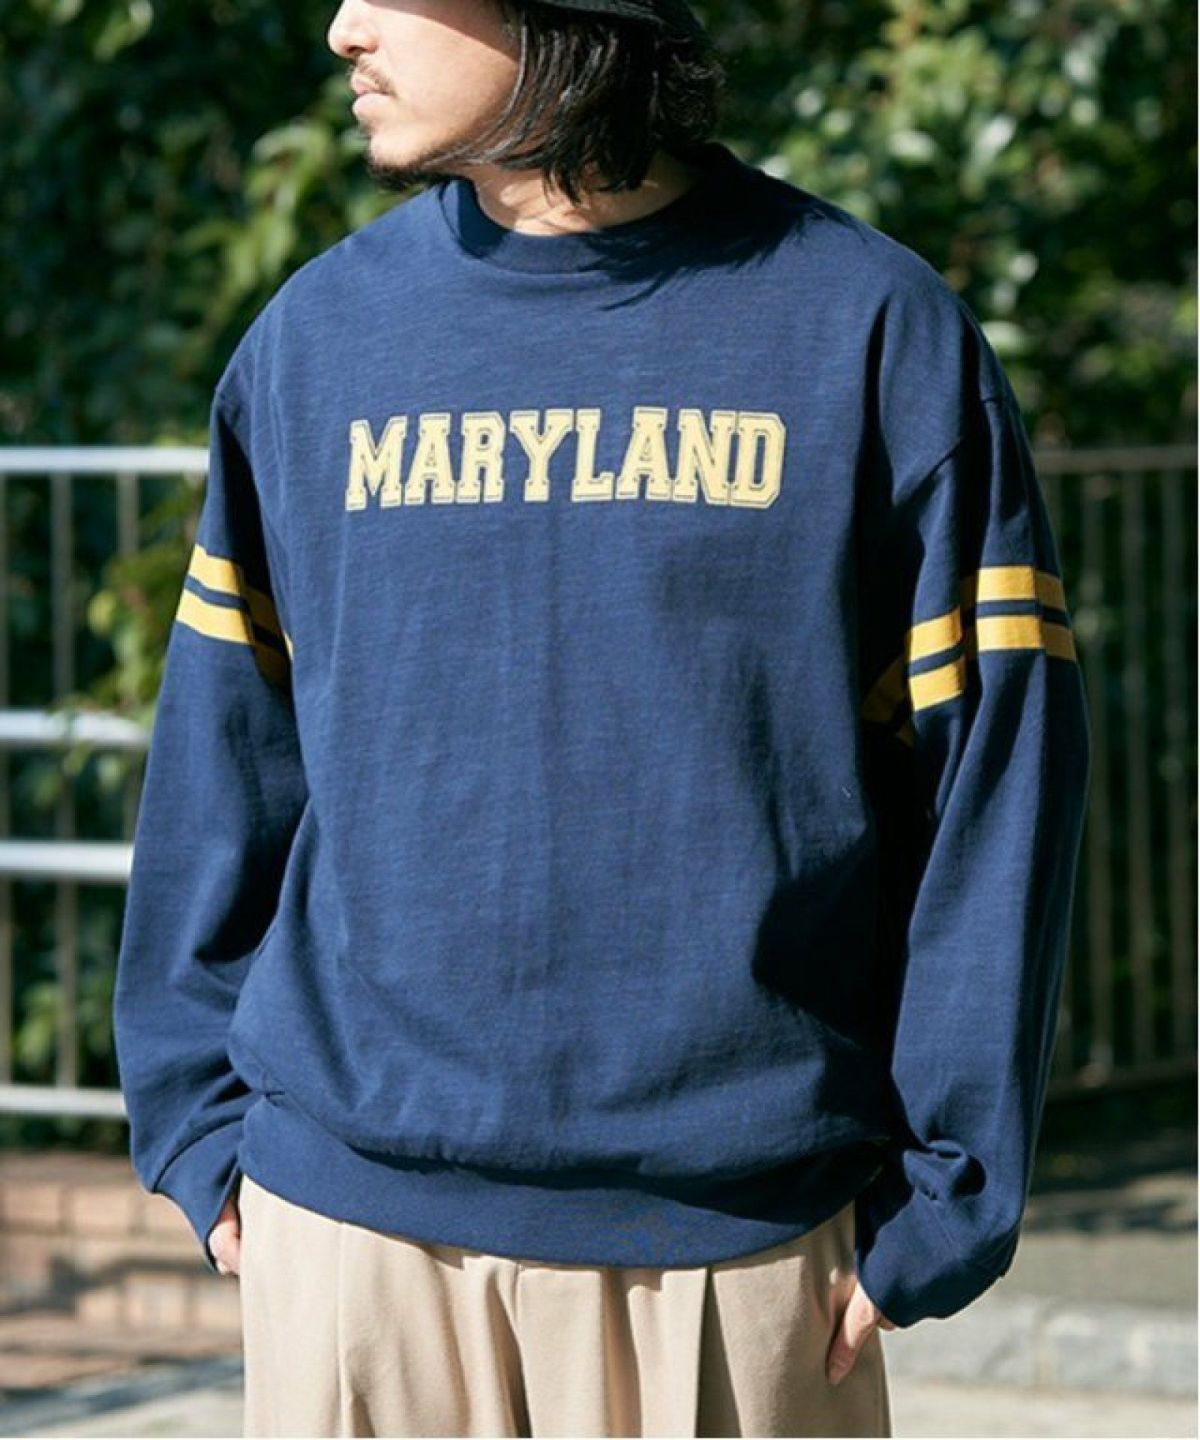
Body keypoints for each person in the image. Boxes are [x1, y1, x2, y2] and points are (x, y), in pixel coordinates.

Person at [111, 0, 1092, 1434]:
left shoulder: (867, 327)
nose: (341, 28)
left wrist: (951, 1186)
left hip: (731, 1246)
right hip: (347, 1238)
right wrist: (198, 1127)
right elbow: (226, 757)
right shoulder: (315, 340)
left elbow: (997, 774)